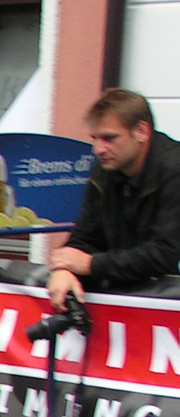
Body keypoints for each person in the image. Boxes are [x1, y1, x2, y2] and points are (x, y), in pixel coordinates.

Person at [48, 88, 180, 311]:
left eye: (109, 138)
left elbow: (163, 255)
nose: (98, 149)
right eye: (95, 138)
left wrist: (91, 265)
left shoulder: (173, 169)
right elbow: (84, 235)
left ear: (141, 131)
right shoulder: (105, 169)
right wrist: (64, 269)